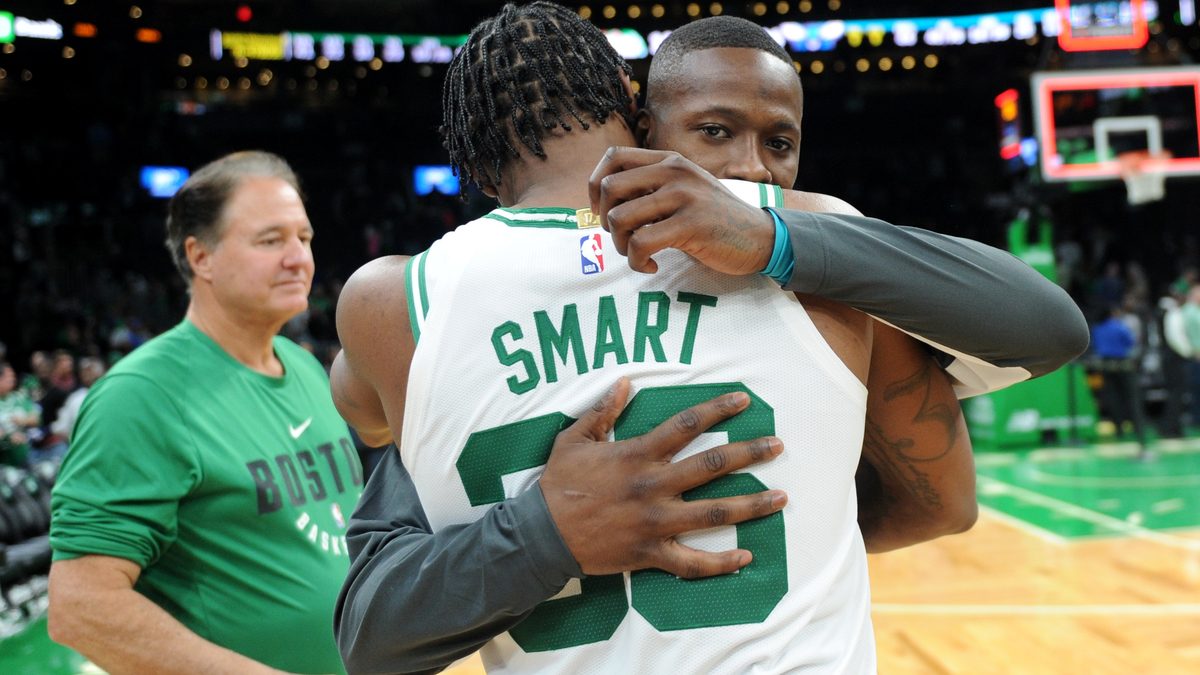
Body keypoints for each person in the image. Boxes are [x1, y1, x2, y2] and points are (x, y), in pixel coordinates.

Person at [334, 5, 1087, 674]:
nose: (747, 167)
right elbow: (950, 495)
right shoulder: (808, 227)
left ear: (474, 162)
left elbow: (371, 613)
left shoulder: (393, 305)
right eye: (719, 132)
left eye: (774, 143)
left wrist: (538, 531)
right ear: (637, 111)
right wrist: (778, 516)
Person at [47, 151, 363, 675]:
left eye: (303, 238)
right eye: (270, 240)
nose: (298, 258)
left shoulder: (304, 366)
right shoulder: (141, 395)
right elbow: (81, 606)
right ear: (201, 257)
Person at [1092, 304, 1150, 455]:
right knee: (1132, 398)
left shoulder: (1098, 328)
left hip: (1105, 366)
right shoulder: (1119, 326)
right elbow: (1131, 341)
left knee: (1112, 397)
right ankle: (1139, 431)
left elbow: (1094, 345)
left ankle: (1119, 429)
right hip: (1124, 366)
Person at [0, 362, 41, 466]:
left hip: (25, 455)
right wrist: (8, 437)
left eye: (13, 376)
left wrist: (24, 420)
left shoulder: (19, 397)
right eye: (8, 377)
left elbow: (36, 418)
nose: (13, 380)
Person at [1184, 284, 1200, 430]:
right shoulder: (1189, 311)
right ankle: (1196, 418)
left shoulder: (1196, 310)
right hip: (1196, 354)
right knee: (1197, 387)